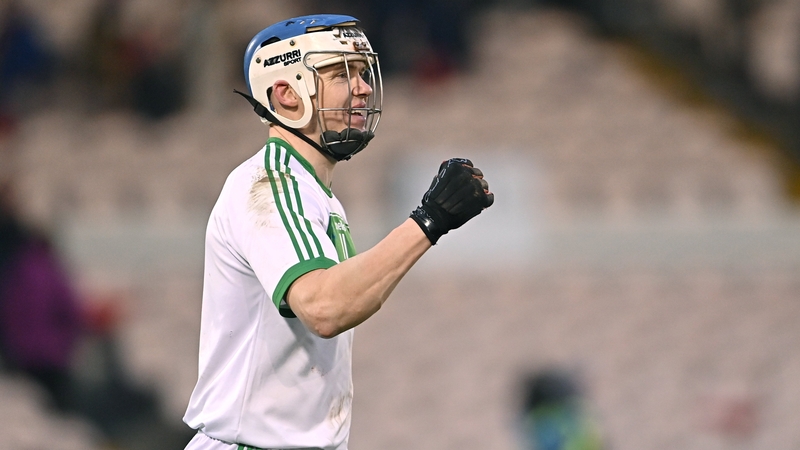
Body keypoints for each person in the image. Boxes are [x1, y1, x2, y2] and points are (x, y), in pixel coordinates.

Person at [182, 14, 494, 450]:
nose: (364, 87)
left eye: (364, 73)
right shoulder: (271, 184)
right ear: (286, 94)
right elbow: (324, 306)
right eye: (342, 73)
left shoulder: (315, 193)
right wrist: (430, 219)